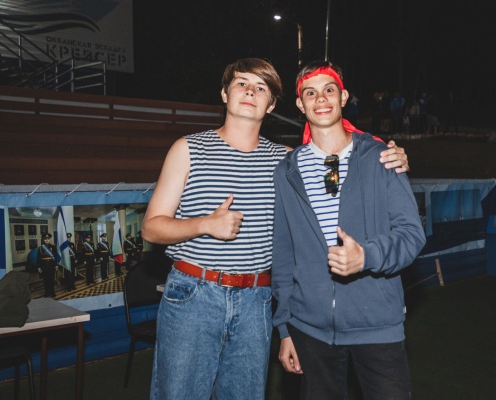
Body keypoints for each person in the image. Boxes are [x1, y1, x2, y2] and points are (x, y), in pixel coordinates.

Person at [142, 58, 410, 400]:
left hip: (256, 301)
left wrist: (392, 156)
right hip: (194, 295)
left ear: (270, 105)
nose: (249, 91)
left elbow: (335, 159)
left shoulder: (285, 162)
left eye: (260, 87)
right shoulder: (188, 149)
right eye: (241, 84)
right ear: (224, 94)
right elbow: (151, 229)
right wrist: (205, 224)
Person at [271, 60, 427, 400]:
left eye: (329, 90)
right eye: (310, 93)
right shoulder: (286, 172)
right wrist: (285, 328)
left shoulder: (381, 157)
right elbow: (283, 254)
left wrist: (366, 257)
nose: (321, 99)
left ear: (343, 97)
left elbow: (412, 234)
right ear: (300, 104)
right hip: (310, 329)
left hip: (377, 325)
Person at [37, 233, 58, 298]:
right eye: (45, 239)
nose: (47, 240)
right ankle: (47, 292)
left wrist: (56, 265)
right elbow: (38, 258)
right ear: (43, 240)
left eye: (48, 239)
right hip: (44, 265)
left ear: (50, 239)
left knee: (51, 279)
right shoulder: (40, 248)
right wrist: (39, 267)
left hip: (51, 265)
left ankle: (52, 292)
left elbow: (55, 256)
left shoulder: (53, 247)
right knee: (45, 280)